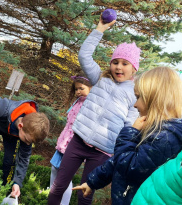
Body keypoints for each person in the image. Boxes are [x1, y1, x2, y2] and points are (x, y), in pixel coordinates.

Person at [48, 16, 140, 204]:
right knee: (58, 187)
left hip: (102, 151)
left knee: (85, 196)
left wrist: (120, 150)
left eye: (125, 63)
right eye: (116, 62)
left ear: (134, 69)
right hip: (78, 140)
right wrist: (100, 29)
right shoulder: (100, 78)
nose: (119, 67)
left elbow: (130, 126)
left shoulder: (135, 94)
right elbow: (84, 56)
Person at [72, 67, 182, 204]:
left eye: (138, 97)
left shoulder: (166, 138)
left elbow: (129, 167)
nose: (135, 105)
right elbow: (118, 161)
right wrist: (92, 182)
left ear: (154, 99)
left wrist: (130, 133)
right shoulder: (154, 130)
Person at [50, 73, 92, 205]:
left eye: (82, 88)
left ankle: (63, 203)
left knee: (64, 178)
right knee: (54, 170)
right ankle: (53, 197)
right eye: (76, 89)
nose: (78, 91)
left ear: (91, 88)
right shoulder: (77, 102)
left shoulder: (89, 105)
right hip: (63, 143)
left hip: (72, 145)